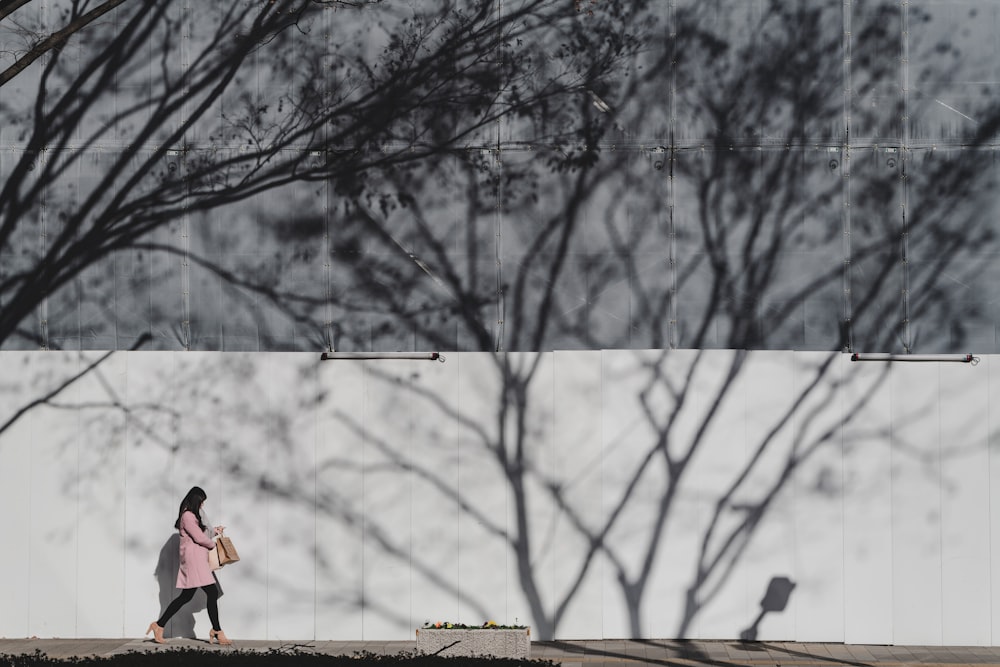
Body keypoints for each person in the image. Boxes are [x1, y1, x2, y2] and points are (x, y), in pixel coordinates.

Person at [146, 486, 231, 645]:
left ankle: (159, 625)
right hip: (194, 561)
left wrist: (215, 531)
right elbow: (199, 538)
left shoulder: (193, 516)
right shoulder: (187, 516)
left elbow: (202, 534)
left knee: (187, 596)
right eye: (201, 502)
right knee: (210, 593)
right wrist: (214, 546)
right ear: (195, 501)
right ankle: (217, 631)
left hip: (197, 560)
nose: (202, 505)